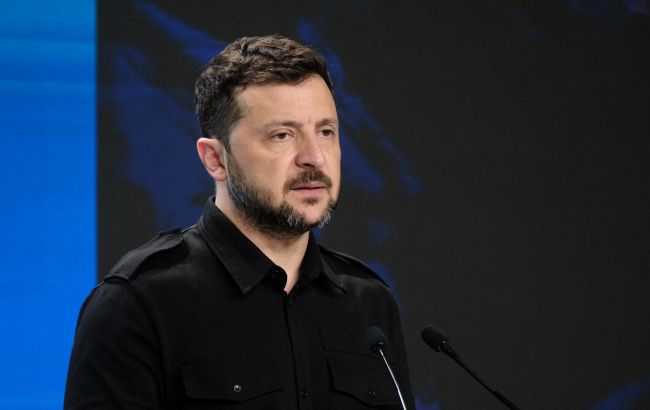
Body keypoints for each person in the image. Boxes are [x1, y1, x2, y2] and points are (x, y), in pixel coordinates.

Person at [64, 35, 414, 409]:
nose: (314, 157)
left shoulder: (369, 303)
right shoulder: (138, 303)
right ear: (215, 159)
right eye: (282, 135)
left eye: (326, 132)